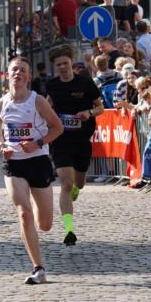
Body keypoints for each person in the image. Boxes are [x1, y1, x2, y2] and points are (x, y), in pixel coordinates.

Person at [0, 56, 63, 284]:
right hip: (14, 164)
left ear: (28, 76)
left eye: (22, 70)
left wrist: (38, 143)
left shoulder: (38, 101)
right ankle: (38, 269)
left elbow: (57, 127)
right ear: (7, 75)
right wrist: (2, 146)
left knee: (45, 224)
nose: (18, 73)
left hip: (38, 161)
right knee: (24, 214)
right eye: (14, 70)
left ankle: (36, 204)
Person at [46, 45, 104, 246]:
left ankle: (76, 190)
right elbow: (47, 105)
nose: (62, 67)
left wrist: (89, 112)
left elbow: (100, 107)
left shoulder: (85, 83)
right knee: (66, 184)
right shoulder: (51, 85)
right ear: (55, 66)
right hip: (60, 141)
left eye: (65, 63)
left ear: (71, 63)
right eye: (58, 64)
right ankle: (69, 229)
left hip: (81, 141)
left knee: (78, 183)